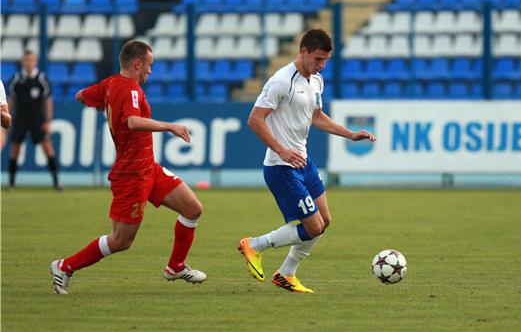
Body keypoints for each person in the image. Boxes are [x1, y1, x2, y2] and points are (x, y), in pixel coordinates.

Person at [49, 40, 206, 295]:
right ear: (137, 63)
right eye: (149, 65)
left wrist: (108, 104)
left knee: (193, 209)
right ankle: (64, 266)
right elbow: (132, 121)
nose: (150, 71)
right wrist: (170, 126)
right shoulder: (130, 89)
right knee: (121, 241)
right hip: (131, 174)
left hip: (148, 168)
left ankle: (176, 267)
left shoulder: (110, 84)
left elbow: (80, 96)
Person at [238, 29, 376, 293]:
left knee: (325, 221)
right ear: (303, 52)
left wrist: (349, 134)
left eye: (325, 60)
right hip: (281, 167)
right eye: (317, 59)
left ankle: (286, 273)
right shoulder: (281, 81)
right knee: (312, 227)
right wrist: (282, 150)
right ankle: (254, 245)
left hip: (303, 162)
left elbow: (317, 116)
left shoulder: (317, 81)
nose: (321, 65)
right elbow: (255, 119)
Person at [7, 50, 61, 190]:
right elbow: (11, 100)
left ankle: (56, 182)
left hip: (37, 117)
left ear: (35, 61)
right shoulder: (16, 79)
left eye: (30, 60)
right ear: (22, 62)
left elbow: (48, 101)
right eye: (26, 60)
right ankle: (11, 183)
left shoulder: (42, 79)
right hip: (20, 117)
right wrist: (6, 116)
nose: (28, 63)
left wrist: (48, 120)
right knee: (15, 149)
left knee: (48, 148)